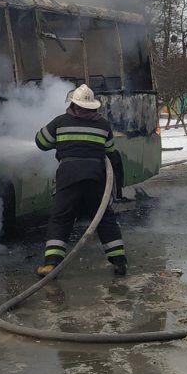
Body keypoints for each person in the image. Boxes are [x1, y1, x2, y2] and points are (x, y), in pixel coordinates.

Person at [34, 83, 127, 277]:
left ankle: (51, 264)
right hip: (96, 177)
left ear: (73, 104)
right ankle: (119, 261)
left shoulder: (60, 122)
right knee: (104, 218)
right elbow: (111, 151)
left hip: (68, 176)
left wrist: (62, 142)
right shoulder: (103, 125)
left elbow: (41, 142)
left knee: (61, 218)